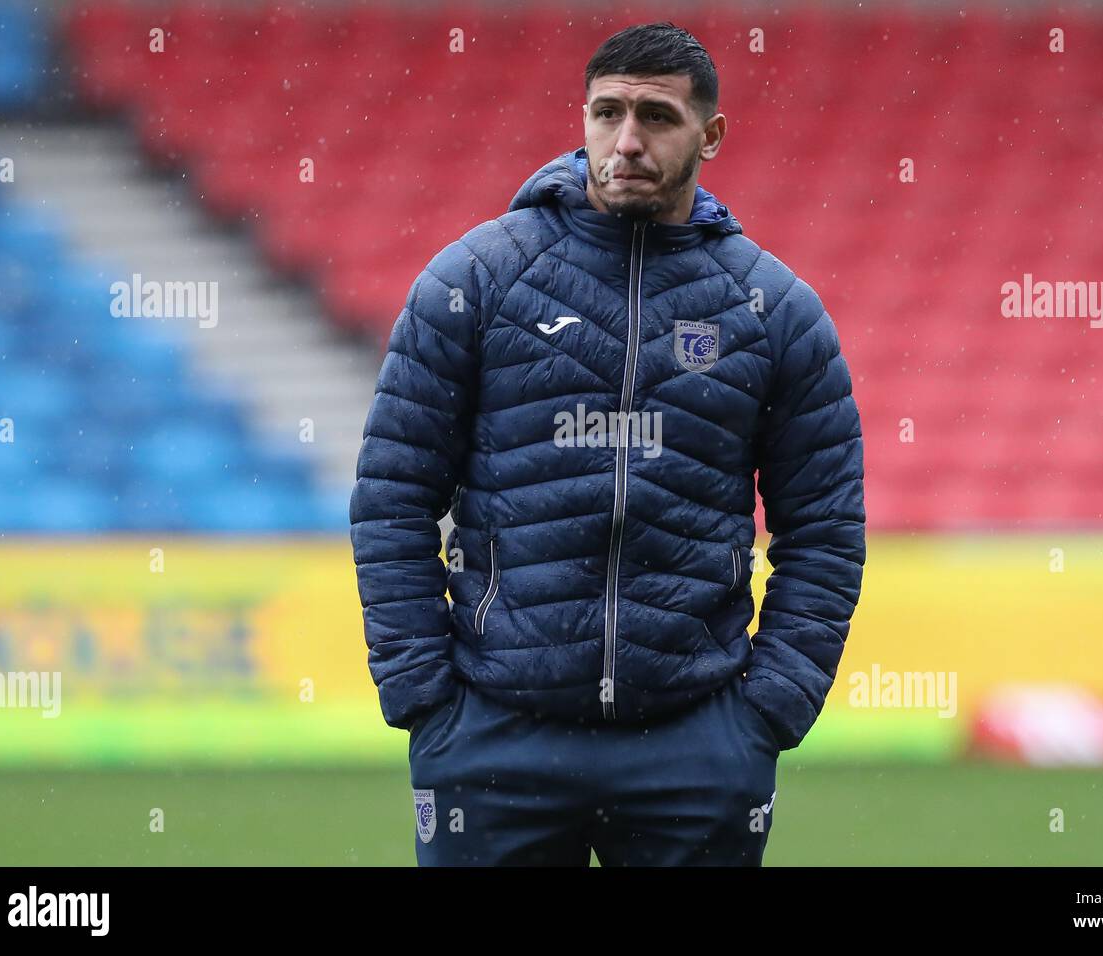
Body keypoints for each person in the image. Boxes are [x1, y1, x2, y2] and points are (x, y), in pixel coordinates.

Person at [350, 21, 865, 866]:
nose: (626, 141)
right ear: (581, 118)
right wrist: (426, 701)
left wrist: (767, 713)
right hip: (492, 736)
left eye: (657, 116)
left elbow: (826, 531)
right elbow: (392, 499)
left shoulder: (774, 310)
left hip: (697, 746)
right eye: (607, 113)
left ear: (712, 134)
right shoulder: (472, 281)